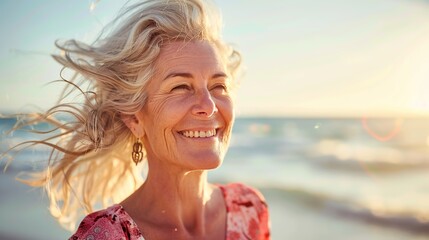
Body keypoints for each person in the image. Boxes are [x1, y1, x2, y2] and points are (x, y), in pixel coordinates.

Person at [7, 0, 270, 239]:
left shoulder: (248, 209)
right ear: (134, 118)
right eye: (180, 87)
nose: (208, 106)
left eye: (218, 86)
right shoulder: (107, 235)